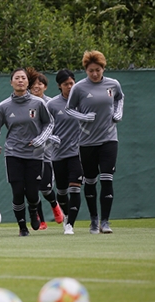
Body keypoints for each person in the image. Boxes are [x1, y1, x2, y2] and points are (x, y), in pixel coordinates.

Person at [0, 68, 54, 236]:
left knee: (32, 192)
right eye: (16, 78)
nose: (20, 80)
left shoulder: (38, 103)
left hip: (34, 154)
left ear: (27, 83)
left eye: (23, 78)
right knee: (17, 191)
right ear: (11, 82)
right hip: (13, 154)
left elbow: (49, 123)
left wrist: (41, 139)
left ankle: (33, 210)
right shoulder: (4, 106)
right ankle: (22, 227)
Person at [65, 51, 123, 234]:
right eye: (91, 71)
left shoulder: (113, 84)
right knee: (90, 181)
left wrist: (118, 112)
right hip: (87, 142)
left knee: (107, 179)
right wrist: (83, 117)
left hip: (108, 139)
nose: (95, 74)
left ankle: (105, 222)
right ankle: (93, 220)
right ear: (86, 70)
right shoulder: (80, 88)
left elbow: (120, 99)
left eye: (98, 70)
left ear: (103, 68)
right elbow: (69, 109)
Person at [47, 69, 83, 235]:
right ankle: (66, 215)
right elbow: (43, 126)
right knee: (61, 192)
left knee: (75, 188)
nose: (69, 86)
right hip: (58, 154)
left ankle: (71, 225)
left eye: (71, 83)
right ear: (59, 86)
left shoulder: (82, 101)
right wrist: (51, 137)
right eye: (66, 84)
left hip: (77, 153)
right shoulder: (52, 105)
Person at [28, 69, 65, 229]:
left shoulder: (50, 103)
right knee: (31, 188)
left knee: (45, 188)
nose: (37, 87)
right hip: (28, 152)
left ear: (45, 87)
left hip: (47, 152)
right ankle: (41, 221)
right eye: (34, 84)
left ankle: (54, 204)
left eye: (40, 84)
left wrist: (48, 138)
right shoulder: (25, 102)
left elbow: (54, 127)